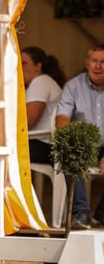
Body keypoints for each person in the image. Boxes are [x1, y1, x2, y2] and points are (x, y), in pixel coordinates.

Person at [55, 44, 104, 229]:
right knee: (70, 153)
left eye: (103, 62)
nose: (98, 66)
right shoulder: (73, 86)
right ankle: (81, 213)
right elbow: (62, 117)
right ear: (87, 64)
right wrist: (70, 138)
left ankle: (101, 215)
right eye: (94, 61)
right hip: (84, 144)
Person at [21, 46, 65, 165]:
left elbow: (29, 120)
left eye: (24, 63)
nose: (19, 67)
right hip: (43, 142)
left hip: (45, 145)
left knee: (1, 148)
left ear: (38, 66)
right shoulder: (41, 82)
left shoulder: (41, 82)